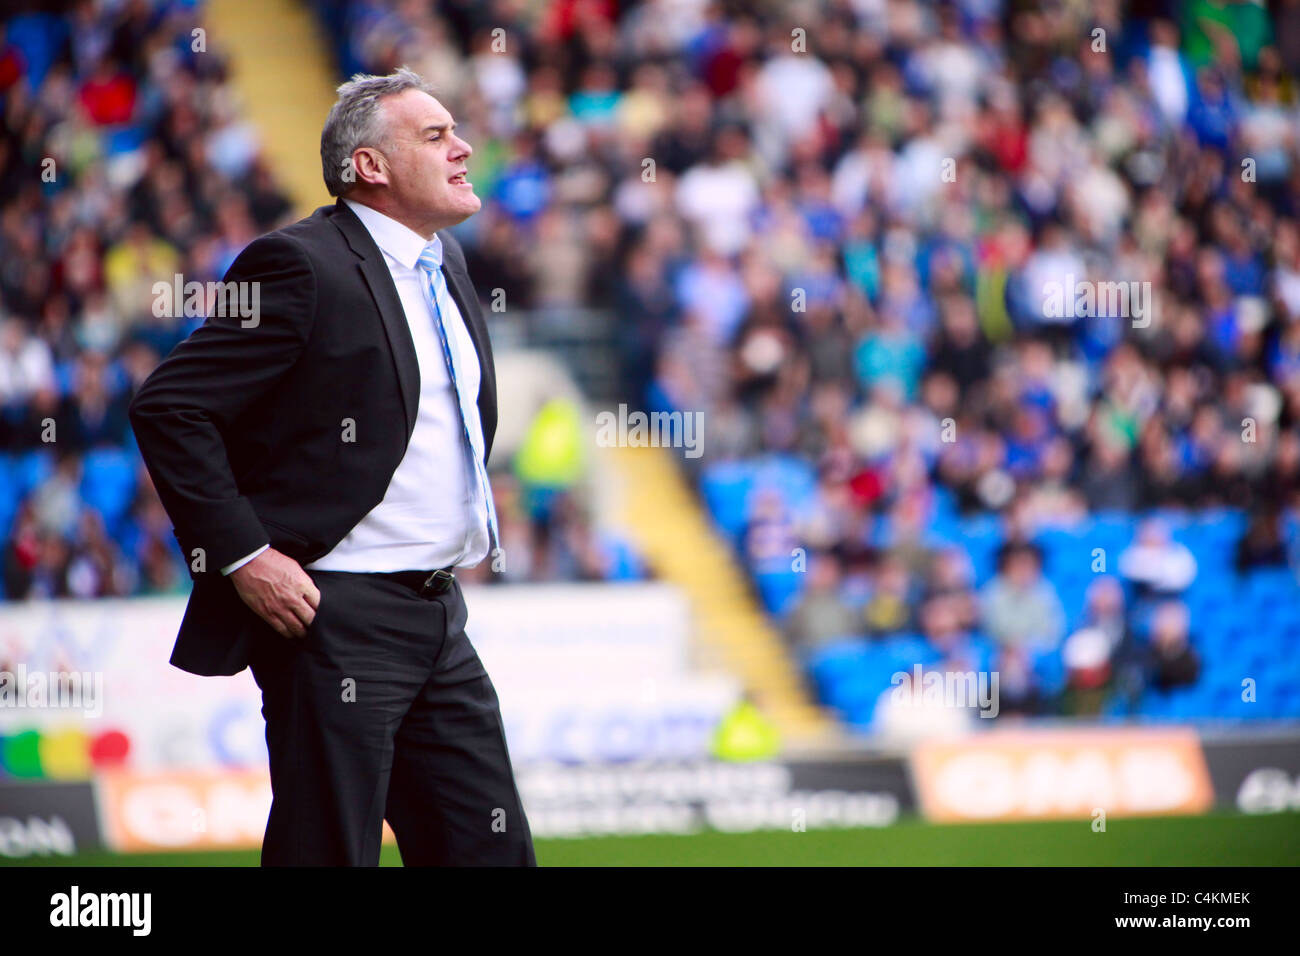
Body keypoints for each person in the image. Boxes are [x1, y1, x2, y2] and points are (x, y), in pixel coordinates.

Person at [128, 68, 535, 866]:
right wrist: (245, 555)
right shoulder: (299, 265)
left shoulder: (445, 260)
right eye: (435, 135)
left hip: (438, 617)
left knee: (490, 852)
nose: (463, 149)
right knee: (328, 851)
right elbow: (171, 407)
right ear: (370, 167)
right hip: (332, 618)